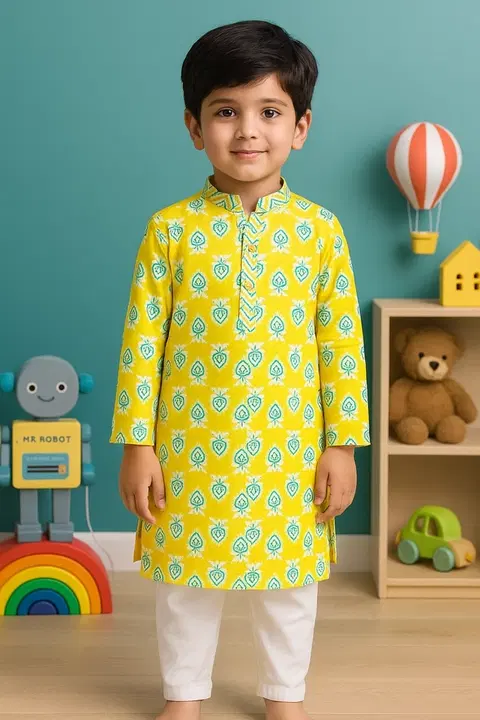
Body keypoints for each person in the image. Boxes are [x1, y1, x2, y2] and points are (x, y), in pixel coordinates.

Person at [110, 19, 370, 720]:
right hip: (188, 448)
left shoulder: (321, 232)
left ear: (301, 126)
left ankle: (284, 697)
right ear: (194, 127)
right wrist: (137, 445)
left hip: (290, 450)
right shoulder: (170, 230)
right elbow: (141, 345)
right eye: (226, 111)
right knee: (184, 586)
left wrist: (342, 446)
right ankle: (183, 697)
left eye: (270, 112)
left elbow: (341, 347)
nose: (248, 130)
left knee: (290, 588)